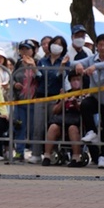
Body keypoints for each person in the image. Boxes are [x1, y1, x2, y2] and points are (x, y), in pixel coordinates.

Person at [73, 34, 104, 169]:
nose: (102, 48)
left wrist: (95, 67)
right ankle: (91, 132)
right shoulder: (91, 58)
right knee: (85, 105)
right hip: (95, 98)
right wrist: (77, 64)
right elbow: (74, 63)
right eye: (100, 45)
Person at [31, 35, 70, 164]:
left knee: (53, 127)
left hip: (56, 98)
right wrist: (34, 67)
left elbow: (61, 78)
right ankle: (36, 154)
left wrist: (62, 67)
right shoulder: (43, 61)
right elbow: (39, 78)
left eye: (60, 44)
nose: (56, 46)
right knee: (38, 126)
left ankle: (52, 153)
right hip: (41, 96)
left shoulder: (65, 61)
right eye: (55, 43)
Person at [42, 70, 87, 167]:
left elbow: (86, 111)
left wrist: (76, 104)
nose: (76, 82)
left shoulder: (86, 93)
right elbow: (55, 110)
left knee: (72, 129)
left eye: (78, 79)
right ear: (70, 82)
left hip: (77, 123)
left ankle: (76, 157)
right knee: (53, 127)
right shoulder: (66, 93)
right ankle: (47, 156)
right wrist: (63, 101)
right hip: (62, 121)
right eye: (73, 80)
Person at [11, 41, 38, 162]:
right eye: (22, 49)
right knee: (19, 126)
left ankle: (35, 153)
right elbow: (11, 77)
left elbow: (41, 77)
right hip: (20, 101)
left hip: (35, 101)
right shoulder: (18, 64)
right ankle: (19, 152)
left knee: (34, 128)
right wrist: (14, 84)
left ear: (33, 51)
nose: (24, 52)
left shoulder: (38, 63)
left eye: (27, 49)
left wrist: (33, 67)